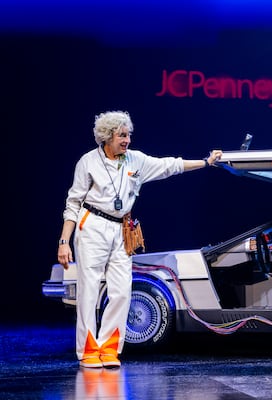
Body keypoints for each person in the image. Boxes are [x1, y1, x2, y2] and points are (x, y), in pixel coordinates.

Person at [57, 110, 223, 369]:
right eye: (122, 135)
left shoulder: (136, 160)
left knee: (122, 290)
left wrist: (205, 162)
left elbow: (171, 165)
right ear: (107, 136)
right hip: (92, 227)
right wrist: (64, 241)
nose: (127, 140)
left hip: (122, 229)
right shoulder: (88, 162)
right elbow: (73, 203)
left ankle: (110, 348)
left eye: (128, 135)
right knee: (89, 290)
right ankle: (89, 350)